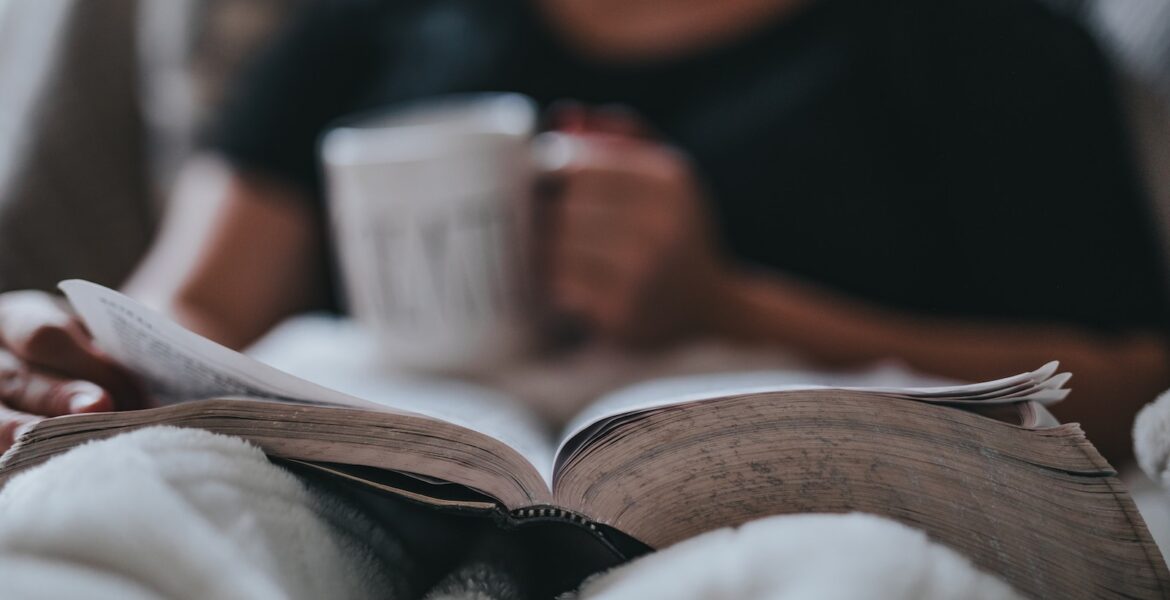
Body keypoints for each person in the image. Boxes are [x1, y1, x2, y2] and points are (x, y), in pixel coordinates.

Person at [0, 0, 1167, 464]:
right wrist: (58, 351)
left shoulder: (977, 38)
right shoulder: (360, 29)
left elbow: (1132, 386)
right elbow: (189, 303)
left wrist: (726, 307)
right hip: (375, 494)